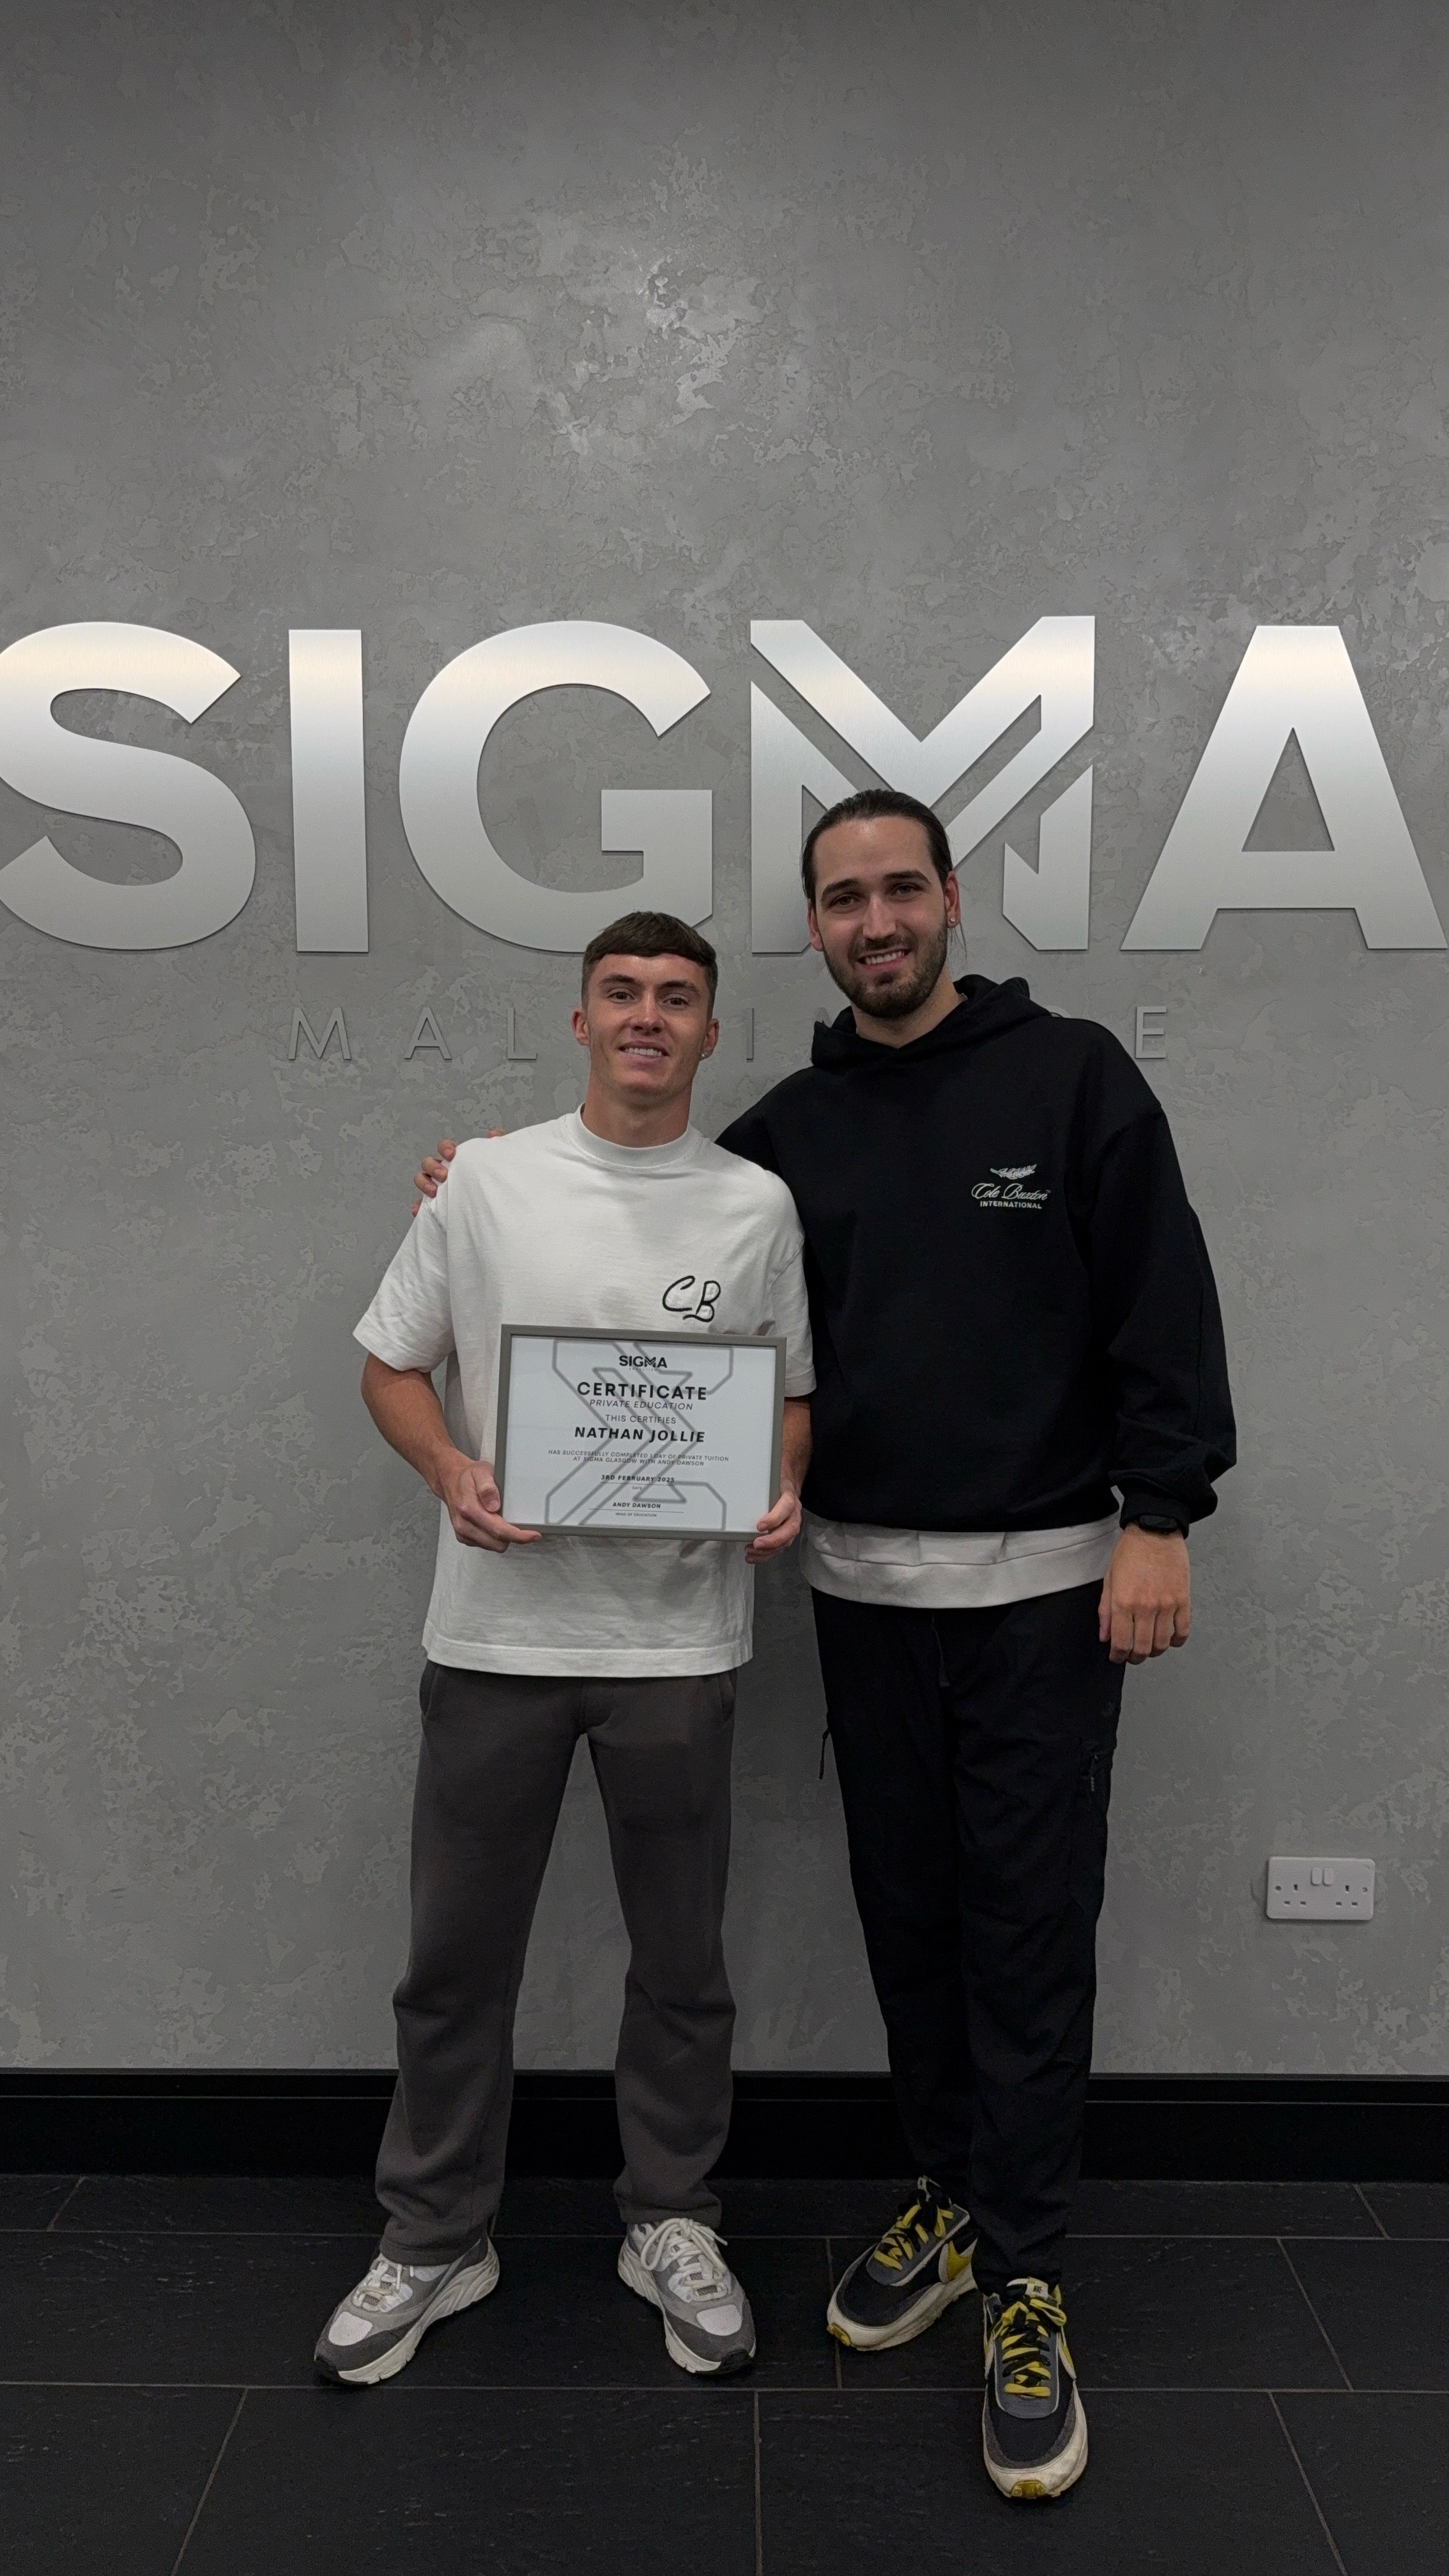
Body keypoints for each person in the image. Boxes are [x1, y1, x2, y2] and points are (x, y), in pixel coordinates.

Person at [412, 791, 1234, 2501]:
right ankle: (947, 2191)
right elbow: (655, 1227)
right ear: (817, 929)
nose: (873, 919)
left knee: (1024, 1929)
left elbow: (1161, 1294)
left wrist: (1162, 1512)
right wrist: (476, 1189)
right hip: (861, 1602)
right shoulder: (787, 1131)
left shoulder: (1073, 1078)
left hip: (1047, 1597)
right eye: (841, 899)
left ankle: (1023, 2279)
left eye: (897, 890)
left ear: (948, 901)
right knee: (913, 1922)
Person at [317, 909, 813, 2390]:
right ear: (581, 1019)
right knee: (456, 1961)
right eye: (622, 993)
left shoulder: (757, 1207)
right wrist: (450, 1474)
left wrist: (778, 1483)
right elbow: (389, 1365)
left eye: (678, 997)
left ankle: (669, 2215)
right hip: (493, 1637)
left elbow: (786, 1397)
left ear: (712, 1033)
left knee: (681, 1962)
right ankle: (434, 2234)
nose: (649, 1016)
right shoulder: (482, 1182)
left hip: (678, 1637)